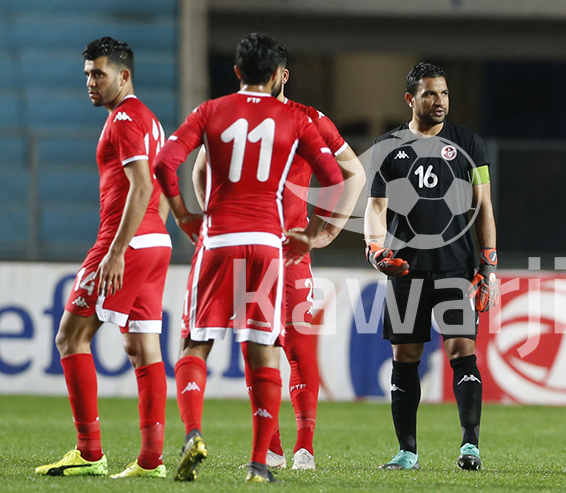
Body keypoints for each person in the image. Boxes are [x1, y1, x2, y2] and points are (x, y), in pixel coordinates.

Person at [154, 33, 343, 483]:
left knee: (196, 343)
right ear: (277, 75)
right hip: (269, 244)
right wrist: (314, 234)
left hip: (218, 239)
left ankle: (193, 433)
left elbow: (165, 162)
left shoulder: (211, 111)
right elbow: (334, 177)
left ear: (237, 71)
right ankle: (261, 462)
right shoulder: (293, 117)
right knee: (265, 351)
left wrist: (183, 215)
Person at [190, 42, 366, 471]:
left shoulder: (308, 119)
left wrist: (327, 232)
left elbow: (353, 172)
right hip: (268, 247)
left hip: (285, 252)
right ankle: (273, 447)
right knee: (261, 344)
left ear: (282, 75)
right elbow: (199, 172)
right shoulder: (250, 115)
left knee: (294, 346)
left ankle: (303, 446)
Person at [35, 37, 183, 479]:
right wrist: (153, 235)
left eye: (98, 74)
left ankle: (88, 452)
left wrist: (118, 251)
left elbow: (140, 185)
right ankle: (151, 461)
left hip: (126, 243)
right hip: (155, 240)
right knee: (142, 347)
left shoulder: (124, 120)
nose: (90, 82)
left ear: (124, 75)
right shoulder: (149, 119)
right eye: (87, 74)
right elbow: (159, 183)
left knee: (70, 338)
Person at [364, 62, 498, 471]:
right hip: (405, 269)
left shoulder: (469, 143)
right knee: (405, 357)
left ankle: (470, 446)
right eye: (429, 94)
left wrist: (488, 263)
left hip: (457, 268)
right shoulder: (388, 147)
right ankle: (407, 452)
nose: (439, 101)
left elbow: (483, 205)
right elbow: (375, 208)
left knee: (463, 352)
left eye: (443, 93)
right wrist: (375, 250)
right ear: (411, 99)